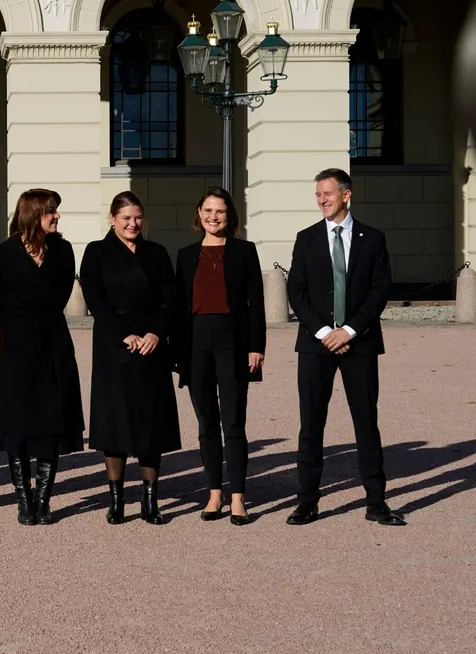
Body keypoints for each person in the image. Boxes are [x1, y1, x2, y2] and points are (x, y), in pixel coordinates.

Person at [285, 168, 404, 526]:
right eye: (318, 195)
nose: (322, 200)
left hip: (360, 343)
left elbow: (380, 290)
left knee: (366, 422)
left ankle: (376, 501)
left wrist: (349, 330)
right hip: (315, 343)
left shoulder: (373, 238)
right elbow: (297, 291)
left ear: (346, 195)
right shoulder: (306, 239)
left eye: (328, 194)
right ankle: (307, 501)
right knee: (311, 425)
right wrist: (324, 331)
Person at [80, 191, 180, 525]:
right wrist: (124, 334)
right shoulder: (97, 252)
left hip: (151, 346)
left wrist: (155, 332)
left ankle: (150, 500)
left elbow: (170, 297)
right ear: (112, 218)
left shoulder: (156, 253)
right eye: (125, 218)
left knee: (152, 423)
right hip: (115, 345)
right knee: (115, 421)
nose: (132, 224)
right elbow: (96, 298)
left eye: (137, 217)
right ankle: (117, 499)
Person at [0, 188, 85, 526]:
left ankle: (43, 498)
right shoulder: (4, 253)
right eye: (51, 211)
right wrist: (17, 328)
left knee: (50, 418)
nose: (57, 216)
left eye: (56, 211)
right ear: (33, 214)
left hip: (54, 344)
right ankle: (23, 498)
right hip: (16, 347)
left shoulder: (64, 250)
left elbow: (59, 296)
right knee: (17, 421)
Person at [175, 186, 265, 526]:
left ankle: (239, 496)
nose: (214, 217)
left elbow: (255, 302)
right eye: (208, 210)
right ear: (199, 213)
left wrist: (257, 346)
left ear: (230, 216)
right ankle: (214, 492)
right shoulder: (185, 255)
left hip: (232, 340)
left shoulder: (244, 251)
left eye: (221, 212)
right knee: (206, 423)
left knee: (233, 422)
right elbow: (178, 307)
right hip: (196, 341)